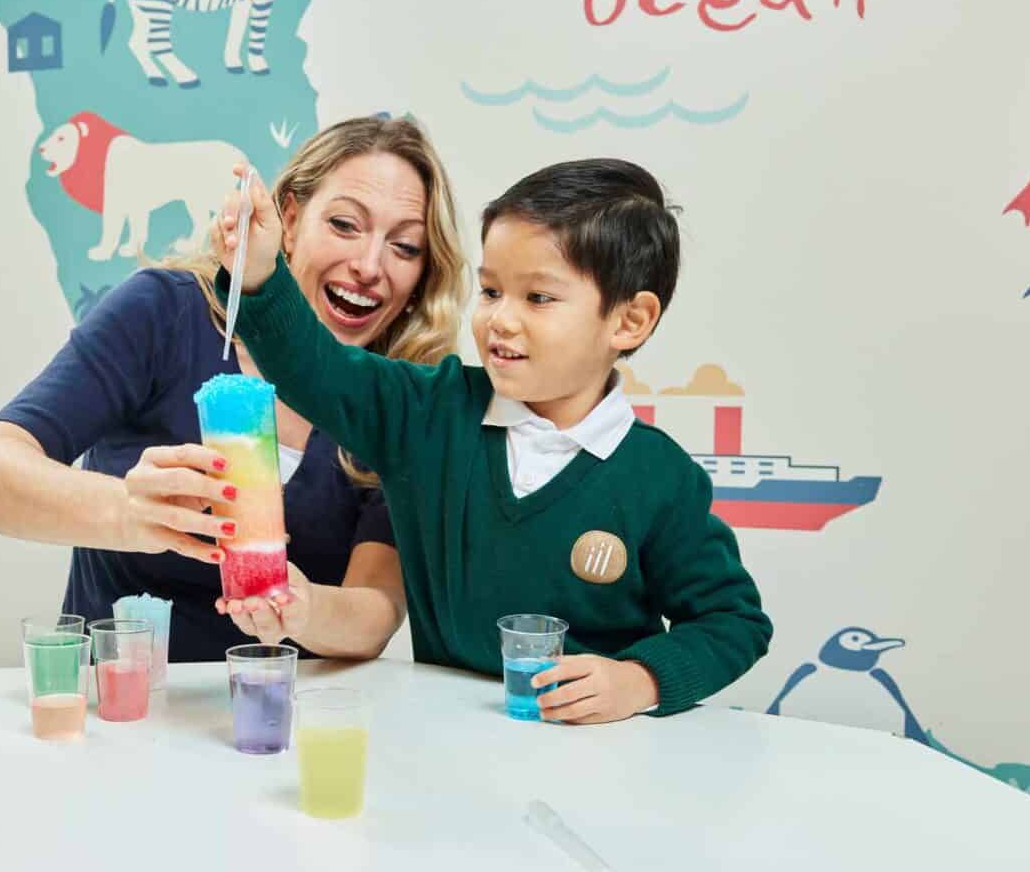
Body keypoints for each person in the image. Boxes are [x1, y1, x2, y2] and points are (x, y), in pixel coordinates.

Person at [214, 157, 772, 721]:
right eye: (491, 291)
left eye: (538, 298)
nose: (500, 320)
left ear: (629, 321)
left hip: (594, 754)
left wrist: (639, 679)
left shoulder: (661, 478)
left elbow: (733, 622)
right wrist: (259, 274)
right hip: (450, 741)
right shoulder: (426, 412)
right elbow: (315, 368)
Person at [0, 116, 468, 661]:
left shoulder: (401, 399)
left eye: (405, 247)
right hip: (123, 699)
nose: (369, 266)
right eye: (344, 225)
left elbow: (376, 610)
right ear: (288, 221)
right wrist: (129, 511)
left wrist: (305, 607)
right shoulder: (164, 314)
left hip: (283, 705)